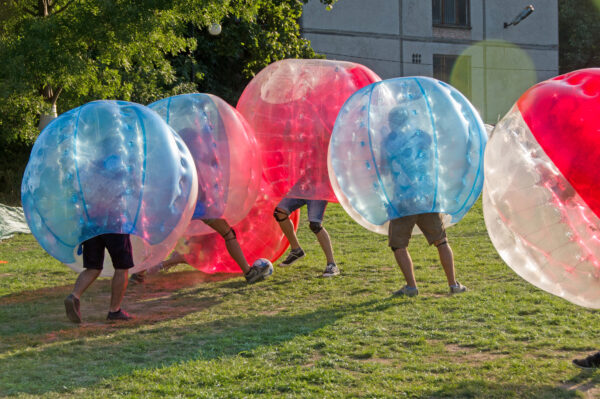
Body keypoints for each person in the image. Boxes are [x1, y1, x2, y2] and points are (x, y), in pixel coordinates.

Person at [129, 218, 270, 284]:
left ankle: (140, 271)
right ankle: (248, 272)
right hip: (204, 207)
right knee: (228, 234)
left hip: (187, 203)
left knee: (169, 236)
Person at [389, 213, 466, 296]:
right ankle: (454, 286)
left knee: (398, 246)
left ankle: (411, 288)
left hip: (403, 206)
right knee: (441, 241)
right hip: (427, 204)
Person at [64, 233, 134, 323]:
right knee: (122, 267)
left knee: (93, 268)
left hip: (91, 226)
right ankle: (114, 311)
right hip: (114, 227)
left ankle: (74, 296)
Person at [274, 197, 339, 277]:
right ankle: (296, 250)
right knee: (280, 212)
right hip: (301, 188)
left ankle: (332, 264)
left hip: (318, 191)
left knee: (315, 225)